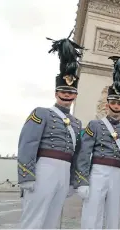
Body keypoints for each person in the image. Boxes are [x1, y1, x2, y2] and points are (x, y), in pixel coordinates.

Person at [17, 32, 84, 228]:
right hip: (44, 168)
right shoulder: (41, 113)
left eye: (71, 92)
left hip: (63, 172)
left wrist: (73, 180)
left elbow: (77, 154)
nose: (67, 96)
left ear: (76, 96)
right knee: (33, 218)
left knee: (53, 220)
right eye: (63, 91)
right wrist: (26, 175)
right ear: (56, 93)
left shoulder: (77, 123)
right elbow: (27, 144)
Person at [73, 56, 120, 229]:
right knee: (92, 214)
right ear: (107, 104)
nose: (116, 105)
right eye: (113, 102)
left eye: (119, 103)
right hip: (98, 172)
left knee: (115, 216)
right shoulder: (95, 125)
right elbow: (84, 153)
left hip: (118, 174)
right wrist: (82, 181)